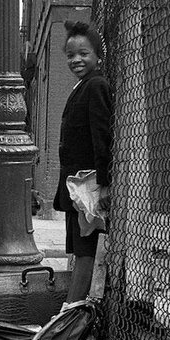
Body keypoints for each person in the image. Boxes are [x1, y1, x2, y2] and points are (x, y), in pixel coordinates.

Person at [54, 19, 113, 302]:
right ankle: (72, 307)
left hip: (89, 187)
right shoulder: (82, 86)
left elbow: (102, 138)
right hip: (76, 189)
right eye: (70, 55)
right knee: (79, 250)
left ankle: (71, 311)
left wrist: (105, 184)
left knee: (85, 251)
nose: (76, 59)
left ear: (98, 55)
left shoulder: (97, 85)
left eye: (83, 53)